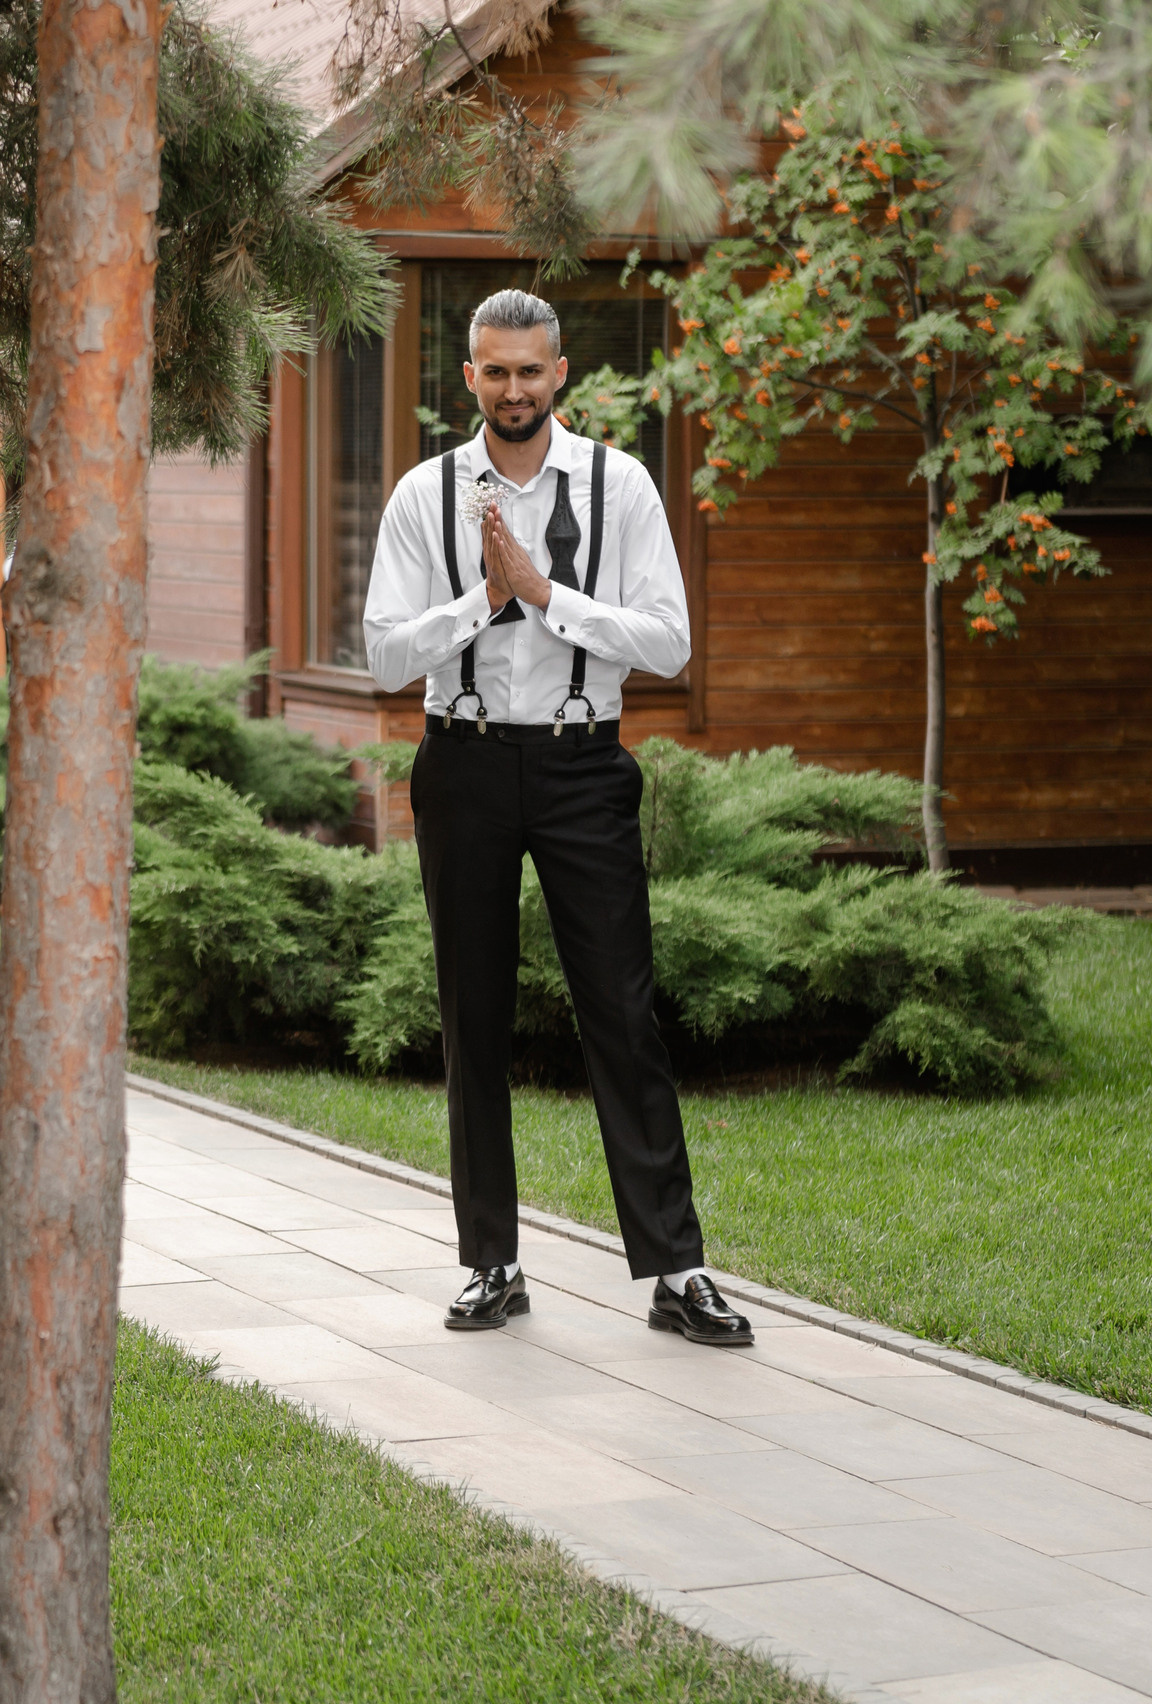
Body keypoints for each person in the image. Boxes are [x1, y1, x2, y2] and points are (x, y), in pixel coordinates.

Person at [362, 288, 752, 1346]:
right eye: (495, 372)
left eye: (531, 371)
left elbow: (667, 643)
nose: (514, 389)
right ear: (470, 379)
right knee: (472, 1018)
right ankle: (491, 1261)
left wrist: (542, 594)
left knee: (623, 1018)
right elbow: (385, 656)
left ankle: (677, 1273)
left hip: (585, 768)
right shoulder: (424, 494)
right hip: (467, 764)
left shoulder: (617, 487)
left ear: (561, 373)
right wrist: (478, 607)